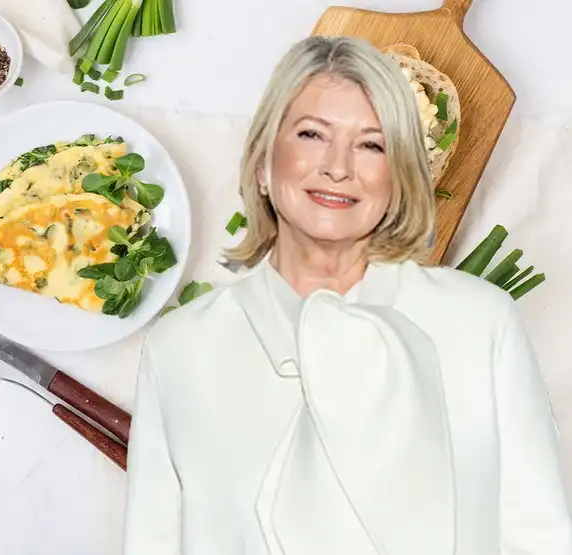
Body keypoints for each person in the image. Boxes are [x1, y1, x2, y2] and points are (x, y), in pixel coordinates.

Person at [121, 36, 572, 555]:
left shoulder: (480, 322)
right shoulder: (181, 347)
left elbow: (540, 532)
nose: (338, 165)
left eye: (372, 144)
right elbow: (152, 542)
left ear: (399, 180)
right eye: (312, 134)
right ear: (264, 164)